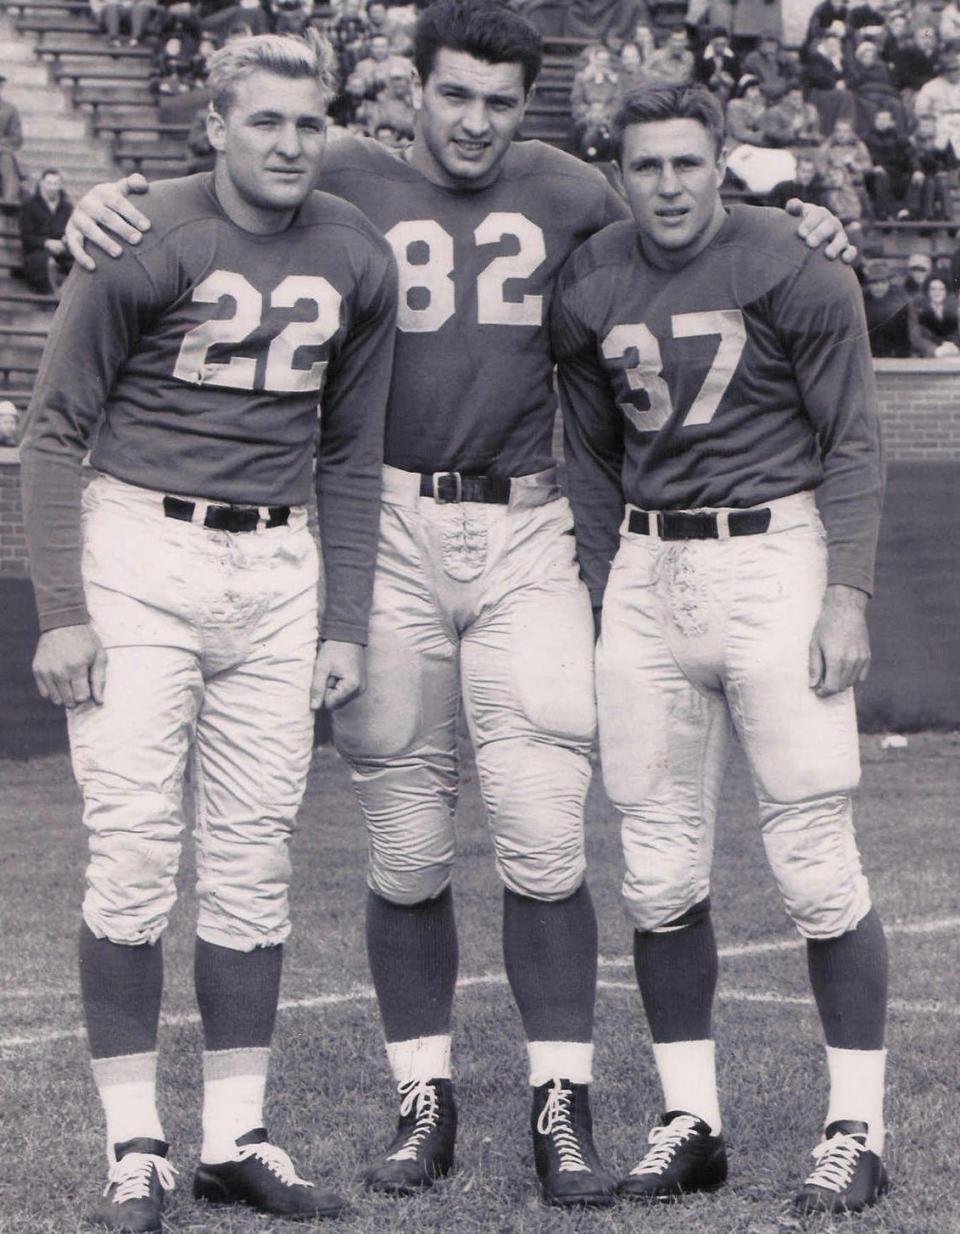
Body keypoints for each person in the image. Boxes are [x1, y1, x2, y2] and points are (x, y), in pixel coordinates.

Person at [65, 1, 853, 1209]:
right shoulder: (333, 167)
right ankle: (420, 1096)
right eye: (455, 96)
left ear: (523, 106)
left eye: (499, 100)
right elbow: (216, 176)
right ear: (410, 92)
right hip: (382, 521)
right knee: (407, 838)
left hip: (527, 517)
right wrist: (102, 199)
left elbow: (684, 210)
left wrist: (802, 214)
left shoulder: (572, 185)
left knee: (544, 829)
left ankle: (562, 1105)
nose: (476, 121)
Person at [20, 31, 397, 1232]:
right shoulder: (144, 234)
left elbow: (349, 450)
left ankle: (238, 1136)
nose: (290, 144)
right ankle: (135, 1144)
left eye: (308, 122)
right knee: (132, 851)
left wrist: (345, 618)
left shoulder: (353, 248)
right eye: (266, 122)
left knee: (251, 861)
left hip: (278, 562)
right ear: (216, 127)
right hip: (142, 547)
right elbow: (50, 433)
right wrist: (64, 611)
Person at [551, 83, 889, 1218]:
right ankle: (689, 1116)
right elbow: (591, 451)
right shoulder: (592, 273)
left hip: (772, 550)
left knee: (812, 853)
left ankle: (857, 1125)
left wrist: (845, 593)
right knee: (655, 865)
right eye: (646, 167)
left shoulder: (792, 259)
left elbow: (853, 438)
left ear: (724, 158)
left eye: (688, 164)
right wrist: (611, 587)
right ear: (620, 167)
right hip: (650, 563)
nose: (669, 187)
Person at [19, 168, 73, 294]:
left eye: (56, 184)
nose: (52, 187)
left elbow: (70, 230)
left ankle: (68, 295)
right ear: (42, 183)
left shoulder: (66, 207)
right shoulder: (29, 205)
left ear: (60, 185)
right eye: (49, 183)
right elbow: (26, 237)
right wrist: (47, 243)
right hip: (37, 251)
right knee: (47, 263)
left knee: (79, 261)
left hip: (62, 249)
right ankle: (54, 296)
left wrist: (64, 241)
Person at [0, 74, 24, 203]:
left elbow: (17, 138)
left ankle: (8, 204)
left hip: (2, 152)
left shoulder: (10, 110)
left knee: (7, 160)